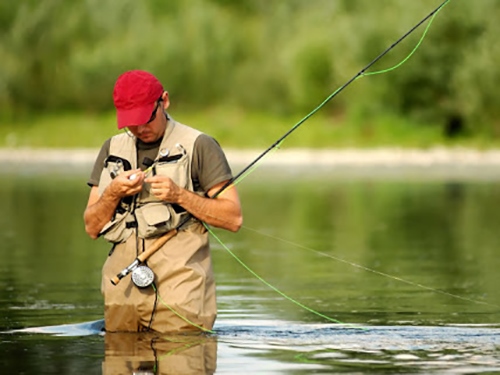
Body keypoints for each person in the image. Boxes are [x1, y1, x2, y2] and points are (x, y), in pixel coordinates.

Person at [84, 69, 242, 333]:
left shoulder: (200, 145)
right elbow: (91, 227)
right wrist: (112, 192)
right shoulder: (110, 149)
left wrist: (179, 195)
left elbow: (233, 218)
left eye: (146, 118)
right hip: (121, 296)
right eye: (131, 122)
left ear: (164, 101)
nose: (140, 128)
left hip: (182, 298)